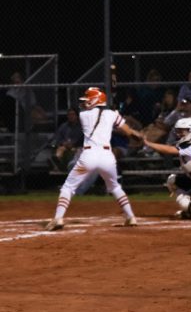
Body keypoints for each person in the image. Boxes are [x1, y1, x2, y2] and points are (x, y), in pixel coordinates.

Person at [45, 87, 143, 231]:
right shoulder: (111, 114)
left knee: (68, 187)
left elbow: (100, 115)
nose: (85, 103)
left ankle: (58, 218)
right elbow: (129, 132)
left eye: (88, 100)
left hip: (89, 156)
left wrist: (112, 113)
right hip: (107, 157)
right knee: (115, 187)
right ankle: (131, 216)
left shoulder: (84, 114)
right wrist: (137, 135)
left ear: (96, 100)